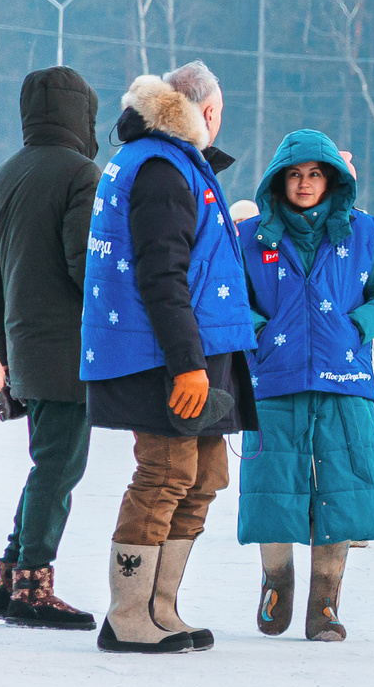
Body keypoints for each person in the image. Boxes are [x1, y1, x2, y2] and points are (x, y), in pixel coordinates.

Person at [82, 63, 259, 654]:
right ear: (206, 113)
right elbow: (162, 273)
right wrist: (186, 363)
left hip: (198, 348)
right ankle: (128, 615)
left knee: (204, 475)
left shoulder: (172, 161)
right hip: (165, 353)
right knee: (164, 474)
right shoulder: (161, 167)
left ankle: (161, 608)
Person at [236, 132, 374, 641]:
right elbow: (230, 303)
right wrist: (261, 336)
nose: (304, 183)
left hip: (344, 378)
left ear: (331, 178)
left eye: (314, 173)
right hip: (274, 380)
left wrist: (356, 327)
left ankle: (325, 601)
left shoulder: (362, 235)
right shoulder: (250, 239)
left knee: (342, 490)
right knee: (273, 488)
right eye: (294, 174)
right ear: (277, 180)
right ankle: (277, 579)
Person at [0, 67, 97, 631]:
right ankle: (32, 583)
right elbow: (84, 265)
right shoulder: (81, 173)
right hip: (69, 347)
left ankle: (10, 577)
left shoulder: (2, 177)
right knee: (58, 466)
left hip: (24, 345)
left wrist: (2, 349)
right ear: (82, 114)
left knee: (46, 462)